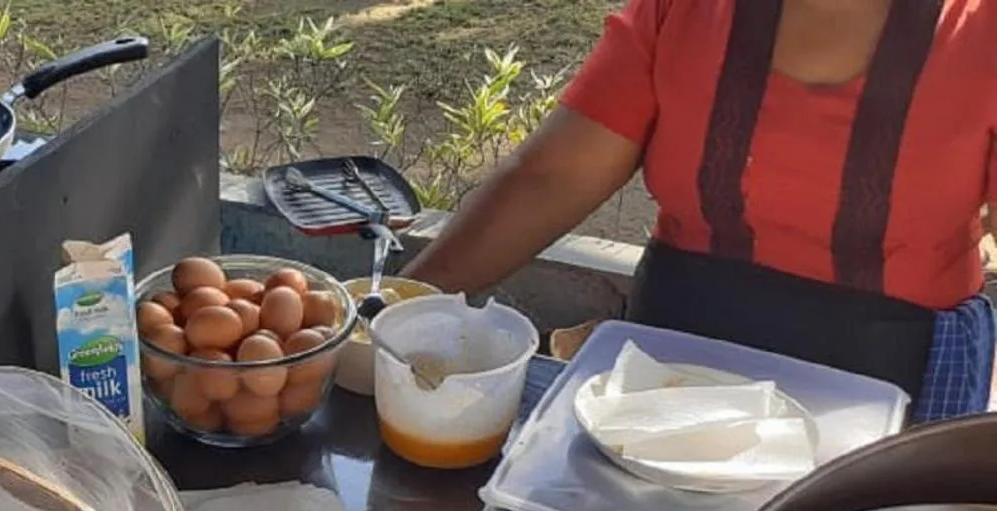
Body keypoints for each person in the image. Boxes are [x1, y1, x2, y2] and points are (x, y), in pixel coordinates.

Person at [399, 0, 997, 420]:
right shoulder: (682, 11)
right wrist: (392, 318)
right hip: (663, 392)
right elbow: (550, 180)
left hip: (891, 397)